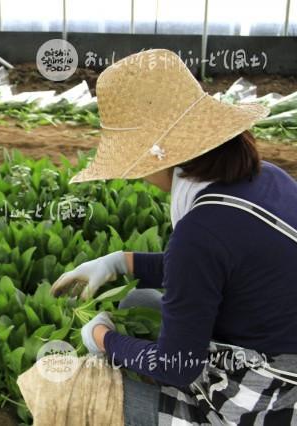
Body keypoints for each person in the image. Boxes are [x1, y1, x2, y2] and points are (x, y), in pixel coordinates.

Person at [51, 49, 297, 425]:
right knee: (138, 300)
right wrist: (119, 263)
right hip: (281, 346)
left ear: (159, 158)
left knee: (69, 390)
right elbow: (221, 268)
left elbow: (176, 366)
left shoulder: (200, 230)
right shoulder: (270, 177)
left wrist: (101, 338)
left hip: (272, 395)